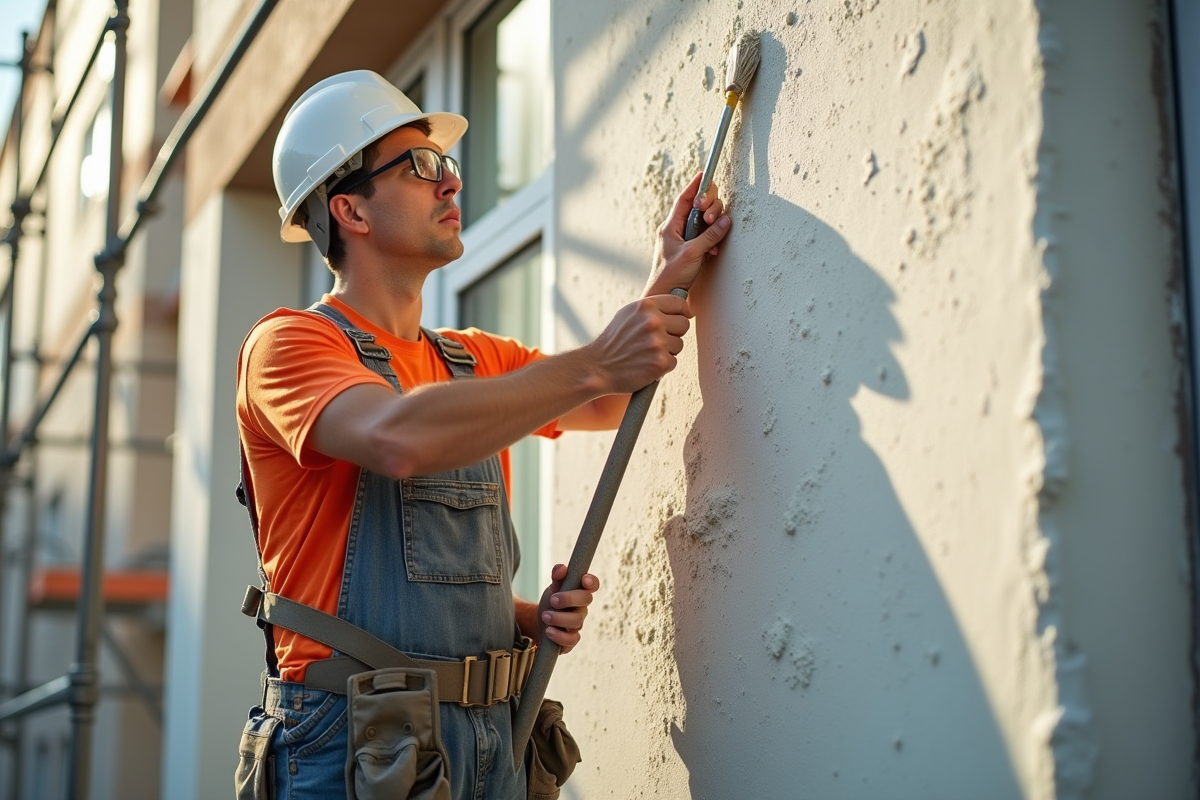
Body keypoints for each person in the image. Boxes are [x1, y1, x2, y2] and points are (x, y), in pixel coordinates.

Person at [233, 70, 730, 800]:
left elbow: (613, 391)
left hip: (492, 735)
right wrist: (592, 364)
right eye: (421, 166)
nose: (450, 184)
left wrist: (669, 275)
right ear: (350, 210)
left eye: (449, 166)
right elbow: (395, 438)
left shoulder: (469, 361)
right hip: (351, 745)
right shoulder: (287, 346)